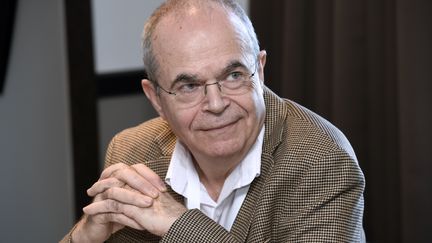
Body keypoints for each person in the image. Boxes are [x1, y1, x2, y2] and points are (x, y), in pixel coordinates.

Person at [61, 0, 365, 242]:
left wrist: (179, 224)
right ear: (156, 99)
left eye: (233, 76)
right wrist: (85, 236)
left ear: (259, 71)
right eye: (189, 86)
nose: (217, 105)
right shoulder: (131, 151)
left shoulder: (322, 160)